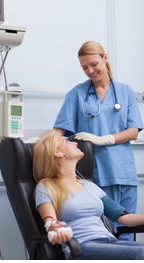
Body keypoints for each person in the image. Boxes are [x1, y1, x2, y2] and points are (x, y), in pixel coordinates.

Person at [28, 40, 144, 239]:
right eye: (84, 67)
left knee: (127, 231)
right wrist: (27, 142)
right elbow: (59, 130)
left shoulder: (125, 92)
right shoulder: (77, 94)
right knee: (103, 232)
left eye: (94, 64)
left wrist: (104, 139)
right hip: (97, 173)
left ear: (105, 58)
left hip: (124, 172)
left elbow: (133, 131)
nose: (90, 71)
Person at [33, 132, 144, 260]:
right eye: (67, 142)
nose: (75, 143)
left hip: (110, 242)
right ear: (57, 153)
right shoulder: (46, 187)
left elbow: (124, 218)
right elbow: (50, 221)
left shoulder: (89, 186)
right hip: (82, 248)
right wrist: (54, 228)